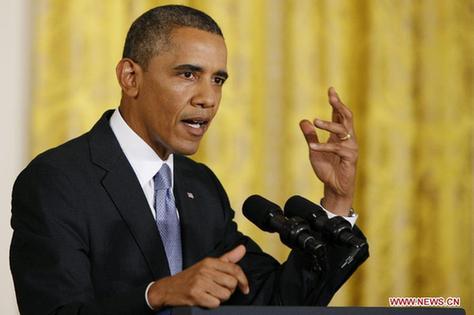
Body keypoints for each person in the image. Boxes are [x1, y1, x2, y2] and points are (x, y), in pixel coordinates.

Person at [10, 4, 368, 315]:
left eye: (218, 80)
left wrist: (336, 200)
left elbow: (276, 301)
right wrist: (158, 294)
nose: (208, 98)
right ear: (131, 78)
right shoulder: (57, 181)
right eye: (188, 74)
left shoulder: (200, 186)